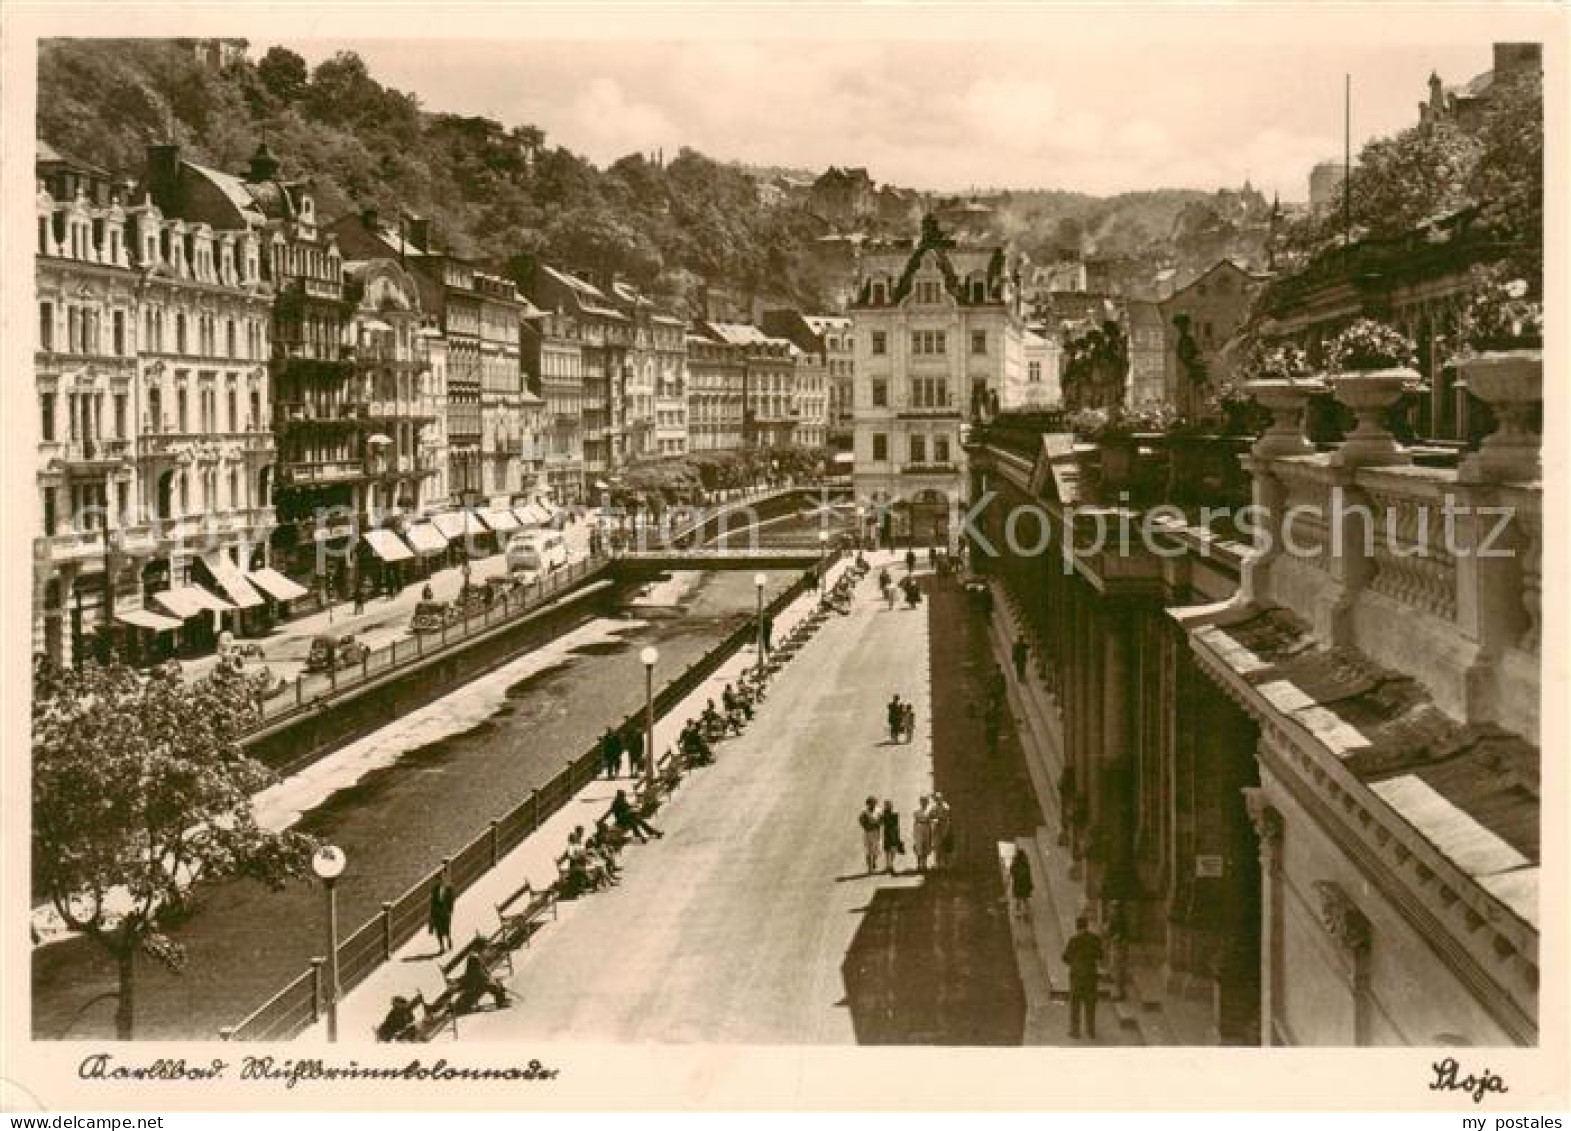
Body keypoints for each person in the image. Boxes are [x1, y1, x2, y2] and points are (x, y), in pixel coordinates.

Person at [1063, 917, 1105, 1040]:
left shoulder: (1073, 940)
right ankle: (1091, 1031)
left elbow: (1065, 957)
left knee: (1075, 1004)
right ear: (1087, 926)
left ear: (1077, 927)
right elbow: (1100, 955)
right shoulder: (1095, 939)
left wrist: (1074, 963)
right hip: (1091, 975)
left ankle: (1075, 1032)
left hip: (1077, 976)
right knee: (1091, 1004)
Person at [454, 947, 509, 1013]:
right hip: (475, 981)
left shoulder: (476, 957)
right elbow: (478, 974)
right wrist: (490, 980)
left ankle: (502, 999)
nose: (486, 950)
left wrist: (490, 978)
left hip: (476, 980)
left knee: (495, 983)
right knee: (493, 986)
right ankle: (501, 1001)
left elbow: (483, 972)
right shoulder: (474, 958)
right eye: (485, 949)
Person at [428, 875, 456, 954]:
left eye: (440, 880)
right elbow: (432, 903)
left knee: (446, 928)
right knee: (438, 931)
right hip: (437, 913)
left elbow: (451, 900)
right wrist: (431, 915)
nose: (438, 882)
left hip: (445, 912)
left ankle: (449, 939)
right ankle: (442, 947)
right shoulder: (434, 890)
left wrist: (450, 911)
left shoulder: (448, 888)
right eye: (437, 880)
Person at [880, 799, 903, 874]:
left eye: (888, 805)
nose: (887, 806)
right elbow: (881, 822)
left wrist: (897, 835)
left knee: (893, 849)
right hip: (887, 832)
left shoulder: (894, 813)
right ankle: (889, 866)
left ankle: (890, 865)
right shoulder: (884, 813)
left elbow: (894, 823)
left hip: (893, 832)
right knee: (887, 850)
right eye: (886, 805)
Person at [931, 793, 954, 868]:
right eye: (936, 799)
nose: (937, 800)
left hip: (944, 826)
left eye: (938, 799)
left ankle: (946, 863)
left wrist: (939, 819)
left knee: (945, 845)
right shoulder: (934, 807)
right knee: (937, 845)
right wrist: (934, 819)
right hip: (937, 827)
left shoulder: (945, 806)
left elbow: (946, 816)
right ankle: (937, 863)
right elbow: (931, 815)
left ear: (941, 798)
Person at [1009, 848, 1033, 917]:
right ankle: (1026, 911)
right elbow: (1028, 875)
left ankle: (1019, 911)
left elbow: (1012, 872)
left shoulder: (1017, 863)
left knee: (1019, 899)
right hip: (1023, 884)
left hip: (1019, 884)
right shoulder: (1025, 864)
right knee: (1024, 899)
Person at [912, 797, 933, 872]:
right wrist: (914, 833)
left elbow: (931, 821)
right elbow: (915, 822)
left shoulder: (930, 811)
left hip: (927, 827)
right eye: (922, 801)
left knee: (926, 845)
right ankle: (919, 865)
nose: (924, 803)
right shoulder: (917, 811)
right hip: (919, 827)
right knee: (919, 846)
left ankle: (924, 864)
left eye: (925, 801)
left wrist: (930, 831)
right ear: (920, 802)